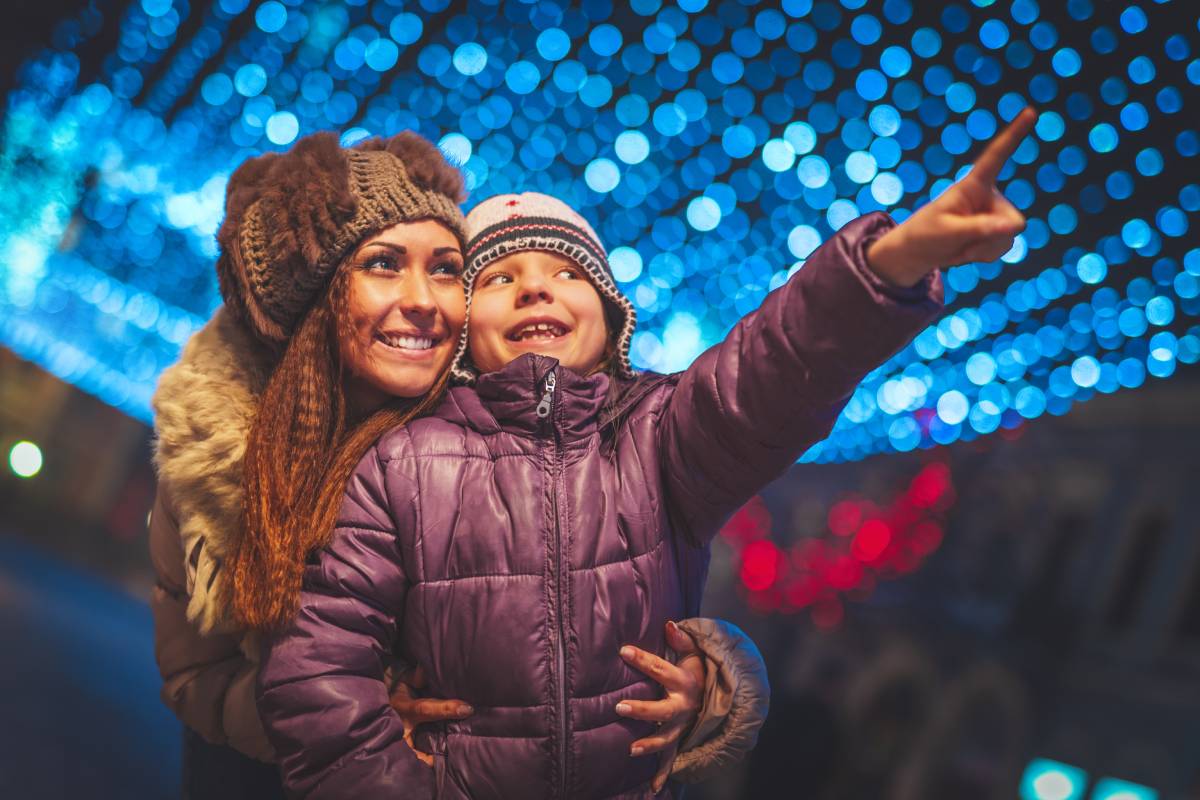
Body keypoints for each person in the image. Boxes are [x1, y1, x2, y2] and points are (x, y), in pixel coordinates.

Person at [256, 107, 1042, 799]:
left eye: (567, 273)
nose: (536, 289)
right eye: (500, 277)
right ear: (461, 332)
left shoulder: (661, 436)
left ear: (610, 317)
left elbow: (779, 364)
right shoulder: (403, 464)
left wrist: (890, 262)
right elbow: (317, 669)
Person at [150, 130, 770, 798]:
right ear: (322, 294)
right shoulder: (222, 451)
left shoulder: (493, 422)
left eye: (446, 269)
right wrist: (352, 712)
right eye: (384, 264)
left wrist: (708, 679)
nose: (424, 299)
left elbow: (594, 600)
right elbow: (198, 677)